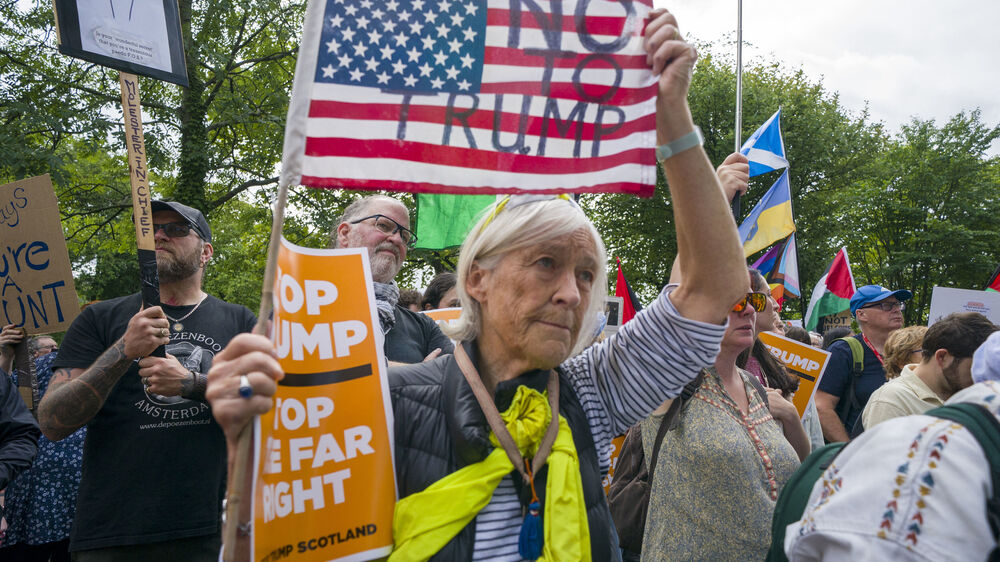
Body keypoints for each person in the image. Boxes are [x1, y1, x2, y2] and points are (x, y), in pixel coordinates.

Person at [207, 10, 750, 560]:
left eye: (586, 274)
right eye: (545, 263)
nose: (571, 293)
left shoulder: (590, 392)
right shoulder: (383, 405)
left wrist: (673, 121)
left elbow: (713, 288)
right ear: (476, 278)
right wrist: (246, 453)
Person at [37, 200, 256, 561]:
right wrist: (123, 349)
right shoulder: (100, 318)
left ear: (206, 252)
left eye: (177, 229)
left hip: (207, 530)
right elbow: (52, 422)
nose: (159, 235)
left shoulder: (240, 322)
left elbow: (267, 402)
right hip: (110, 534)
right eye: (151, 228)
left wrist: (192, 384)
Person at [783, 334, 1000, 561]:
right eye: (920, 351)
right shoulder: (890, 400)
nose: (896, 310)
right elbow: (883, 482)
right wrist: (849, 452)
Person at [640, 271, 808, 561]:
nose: (751, 310)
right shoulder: (670, 382)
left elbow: (804, 465)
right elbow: (682, 280)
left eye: (752, 299)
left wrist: (791, 416)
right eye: (733, 301)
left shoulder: (754, 386)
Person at [330, 196, 454, 363]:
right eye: (383, 225)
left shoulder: (425, 327)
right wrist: (418, 374)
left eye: (404, 237)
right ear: (345, 234)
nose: (397, 239)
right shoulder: (299, 305)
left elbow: (454, 379)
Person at [0, 348, 83, 562]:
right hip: (32, 485)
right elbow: (5, 394)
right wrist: (7, 356)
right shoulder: (33, 373)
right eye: (45, 348)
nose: (52, 350)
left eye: (55, 347)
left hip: (75, 492)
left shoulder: (96, 367)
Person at [861, 313, 996, 430]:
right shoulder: (891, 401)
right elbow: (889, 459)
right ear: (942, 357)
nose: (980, 374)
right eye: (973, 366)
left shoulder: (967, 394)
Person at [815, 284, 911, 442]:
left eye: (897, 304)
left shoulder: (909, 351)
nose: (896, 310)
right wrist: (850, 451)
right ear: (861, 314)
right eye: (886, 305)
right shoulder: (843, 351)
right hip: (861, 457)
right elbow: (822, 407)